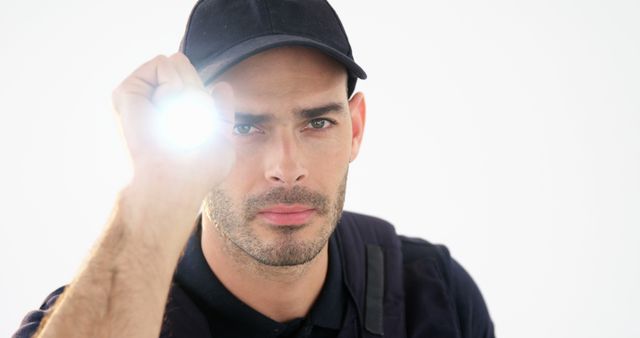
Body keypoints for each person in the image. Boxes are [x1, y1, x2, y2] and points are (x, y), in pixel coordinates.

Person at [13, 0, 495, 337]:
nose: (286, 168)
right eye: (244, 128)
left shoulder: (433, 294)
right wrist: (155, 193)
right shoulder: (98, 313)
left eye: (318, 122)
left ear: (355, 128)